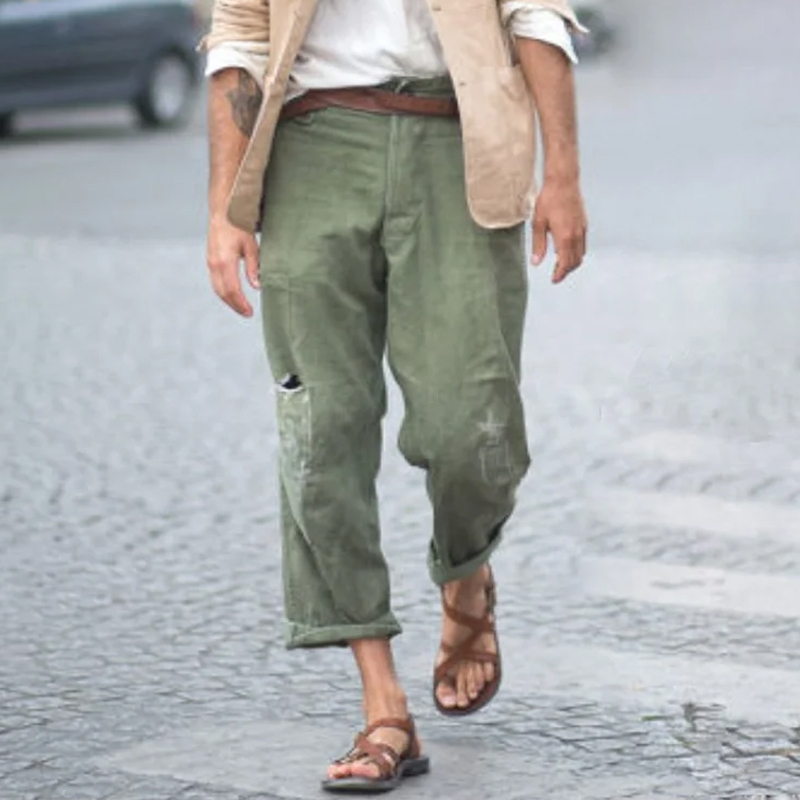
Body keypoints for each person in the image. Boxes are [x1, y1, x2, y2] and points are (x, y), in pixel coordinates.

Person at [202, 0, 588, 791]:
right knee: (323, 429)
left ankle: (466, 570)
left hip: (459, 144)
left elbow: (538, 14)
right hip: (310, 150)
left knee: (469, 424)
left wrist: (564, 176)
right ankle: (384, 707)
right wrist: (223, 209)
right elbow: (239, 35)